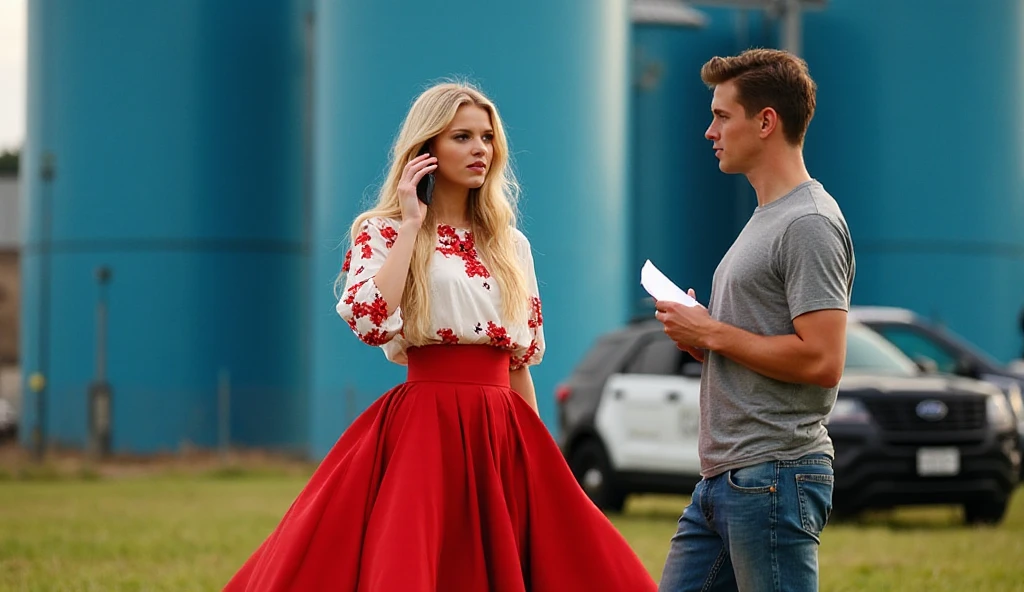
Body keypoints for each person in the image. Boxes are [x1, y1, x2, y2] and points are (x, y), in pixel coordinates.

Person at [223, 81, 657, 591]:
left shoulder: (509, 243)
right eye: (462, 137)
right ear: (426, 150)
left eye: (487, 138)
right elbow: (369, 317)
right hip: (424, 425)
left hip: (502, 426)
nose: (480, 150)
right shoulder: (382, 232)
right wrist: (410, 223)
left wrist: (538, 456)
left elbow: (518, 359)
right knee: (414, 559)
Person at [653, 49, 856, 592]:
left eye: (722, 115)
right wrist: (704, 338)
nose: (708, 131)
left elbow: (822, 360)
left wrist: (713, 332)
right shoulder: (766, 219)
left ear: (766, 122)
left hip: (775, 474)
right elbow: (764, 342)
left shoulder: (809, 222)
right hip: (727, 480)